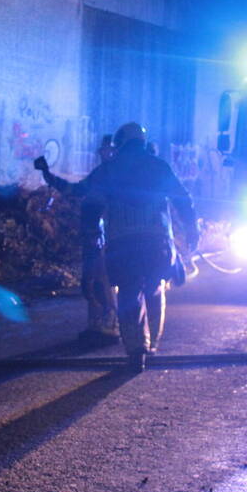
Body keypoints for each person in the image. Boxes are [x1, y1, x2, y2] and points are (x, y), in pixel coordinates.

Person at [85, 122, 198, 372]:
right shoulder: (159, 166)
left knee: (128, 293)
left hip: (122, 244)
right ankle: (153, 343)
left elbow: (91, 205)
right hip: (158, 243)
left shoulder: (109, 170)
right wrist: (192, 229)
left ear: (120, 143)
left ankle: (136, 351)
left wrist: (92, 232)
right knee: (155, 289)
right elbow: (183, 199)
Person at [35, 135, 119, 347]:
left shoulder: (119, 176)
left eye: (109, 150)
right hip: (92, 234)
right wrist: (48, 175)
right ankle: (96, 325)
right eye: (103, 150)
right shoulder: (101, 174)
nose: (105, 153)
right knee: (91, 279)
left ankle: (110, 325)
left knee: (104, 279)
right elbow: (76, 190)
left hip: (104, 235)